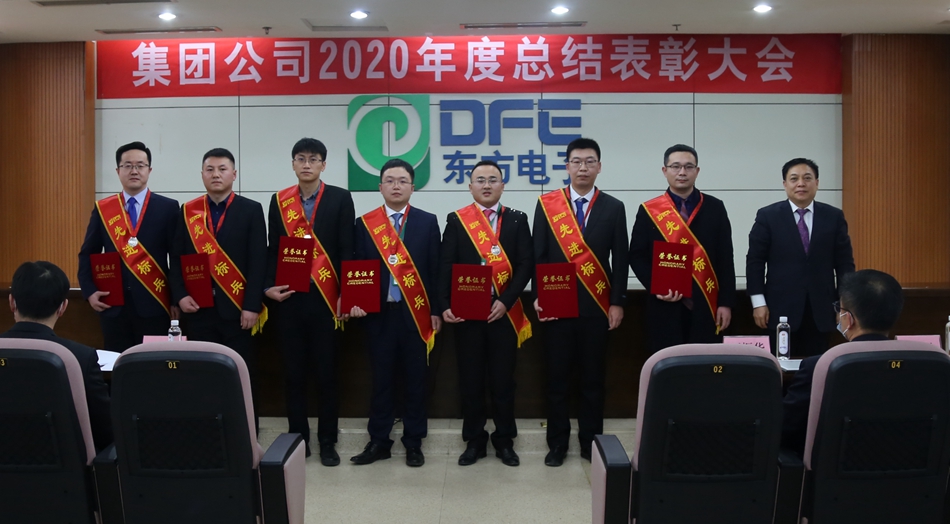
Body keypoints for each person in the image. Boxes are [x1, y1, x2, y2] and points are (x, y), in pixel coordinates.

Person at [532, 137, 628, 467]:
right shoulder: (547, 204)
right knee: (557, 380)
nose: (583, 167)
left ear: (599, 167)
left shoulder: (614, 207)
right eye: (576, 161)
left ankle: (591, 443)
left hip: (597, 308)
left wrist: (617, 302)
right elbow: (539, 255)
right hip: (556, 308)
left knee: (593, 380)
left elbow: (621, 258)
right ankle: (557, 444)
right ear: (567, 166)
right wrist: (539, 297)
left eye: (589, 161)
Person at [263, 138, 354, 465]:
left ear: (323, 165)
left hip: (327, 301)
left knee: (327, 374)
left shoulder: (340, 198)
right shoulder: (279, 201)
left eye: (313, 159)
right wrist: (267, 287)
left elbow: (346, 248)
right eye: (300, 158)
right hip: (289, 299)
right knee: (293, 374)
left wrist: (346, 295)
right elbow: (273, 249)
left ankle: (328, 441)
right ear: (293, 164)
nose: (306, 164)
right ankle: (298, 440)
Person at [439, 160, 533, 467]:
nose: (487, 185)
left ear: (503, 185)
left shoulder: (517, 220)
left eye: (493, 179)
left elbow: (525, 265)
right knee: (471, 380)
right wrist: (444, 304)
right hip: (467, 314)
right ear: (470, 187)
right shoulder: (457, 220)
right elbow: (446, 264)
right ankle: (474, 441)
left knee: (504, 380)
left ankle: (505, 440)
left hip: (503, 313)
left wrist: (505, 301)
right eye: (480, 180)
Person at [349, 158, 441, 467]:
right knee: (381, 379)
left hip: (416, 314)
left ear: (413, 187)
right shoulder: (365, 224)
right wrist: (355, 301)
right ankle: (379, 441)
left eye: (402, 181)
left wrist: (436, 310)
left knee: (416, 380)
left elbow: (435, 270)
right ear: (380, 187)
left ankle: (414, 442)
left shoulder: (428, 222)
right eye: (390, 180)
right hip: (379, 314)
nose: (396, 186)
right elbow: (358, 267)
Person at [169, 147, 267, 405]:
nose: (216, 174)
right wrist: (180, 295)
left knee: (242, 377)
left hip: (238, 311)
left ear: (234, 174)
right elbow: (176, 257)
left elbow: (259, 261)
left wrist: (251, 306)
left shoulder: (251, 210)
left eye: (222, 169)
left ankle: (246, 430)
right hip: (198, 309)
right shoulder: (188, 211)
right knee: (202, 378)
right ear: (202, 174)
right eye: (210, 169)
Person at [629, 144, 736, 354]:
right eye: (675, 166)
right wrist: (656, 287)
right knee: (668, 365)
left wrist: (726, 303)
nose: (682, 172)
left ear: (697, 171)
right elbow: (637, 256)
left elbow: (725, 258)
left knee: (704, 364)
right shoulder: (649, 211)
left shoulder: (715, 207)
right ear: (664, 170)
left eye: (688, 167)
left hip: (706, 303)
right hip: (664, 305)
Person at [782, 269, 903, 453]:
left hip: (833, 469)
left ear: (849, 319)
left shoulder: (818, 367)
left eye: (840, 309)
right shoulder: (924, 367)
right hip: (908, 466)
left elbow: (785, 428)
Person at [746, 158, 855, 358]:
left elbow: (845, 264)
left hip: (822, 309)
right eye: (794, 179)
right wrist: (758, 303)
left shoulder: (833, 217)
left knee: (817, 365)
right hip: (778, 308)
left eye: (807, 178)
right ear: (785, 184)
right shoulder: (768, 216)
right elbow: (755, 262)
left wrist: (844, 305)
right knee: (780, 366)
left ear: (817, 183)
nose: (801, 184)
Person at [78, 141, 180, 352]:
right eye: (127, 165)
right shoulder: (104, 209)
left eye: (140, 165)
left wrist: (176, 299)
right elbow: (88, 253)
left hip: (155, 303)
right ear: (118, 171)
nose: (134, 171)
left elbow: (177, 257)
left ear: (149, 170)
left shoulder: (168, 208)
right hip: (113, 306)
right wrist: (89, 291)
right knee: (117, 363)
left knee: (153, 363)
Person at [2, 261, 112, 452]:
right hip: (63, 468)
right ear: (63, 308)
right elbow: (105, 432)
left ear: (12, 302)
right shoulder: (81, 358)